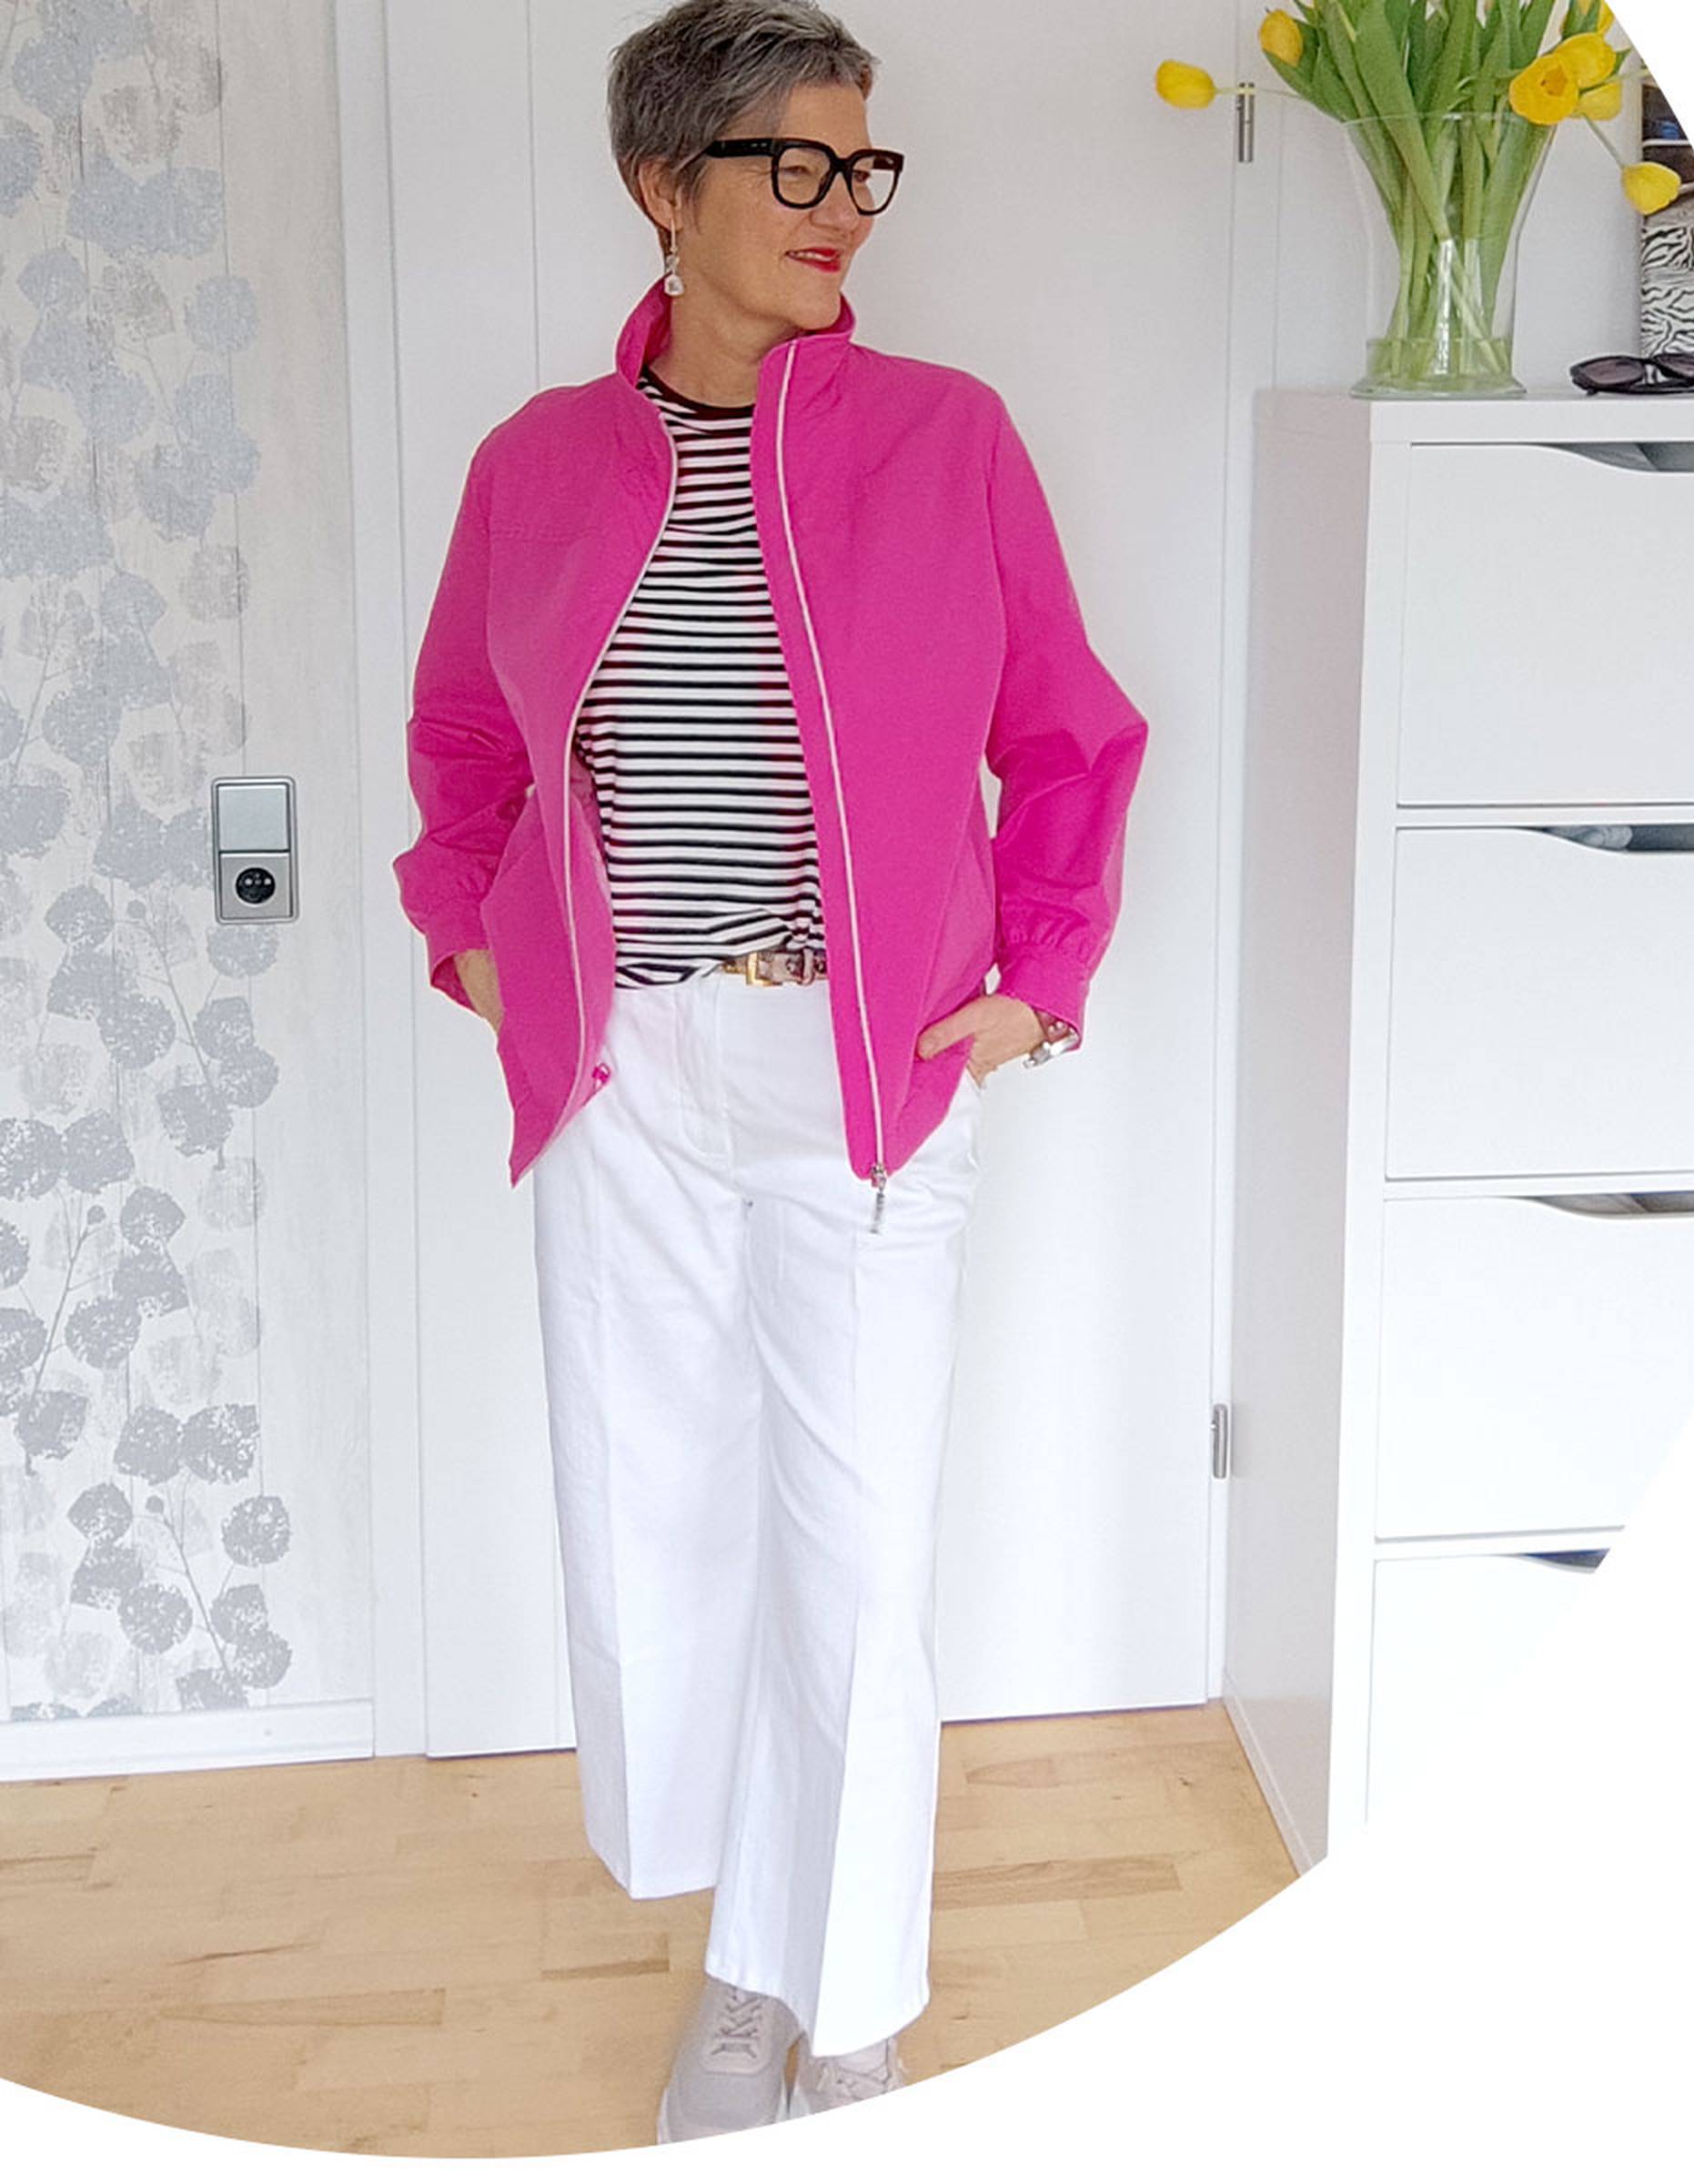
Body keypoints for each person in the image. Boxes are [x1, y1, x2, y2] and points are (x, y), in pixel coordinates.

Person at [389, 0, 1147, 2140]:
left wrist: (1041, 977)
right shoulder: (541, 463)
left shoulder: (945, 435)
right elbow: (465, 735)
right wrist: (472, 941)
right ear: (667, 184)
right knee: (658, 1523)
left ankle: (856, 2010)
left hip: (864, 1063)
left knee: (859, 1555)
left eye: (860, 168)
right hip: (628, 1066)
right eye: (794, 166)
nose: (841, 210)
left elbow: (1069, 732)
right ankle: (745, 1969)